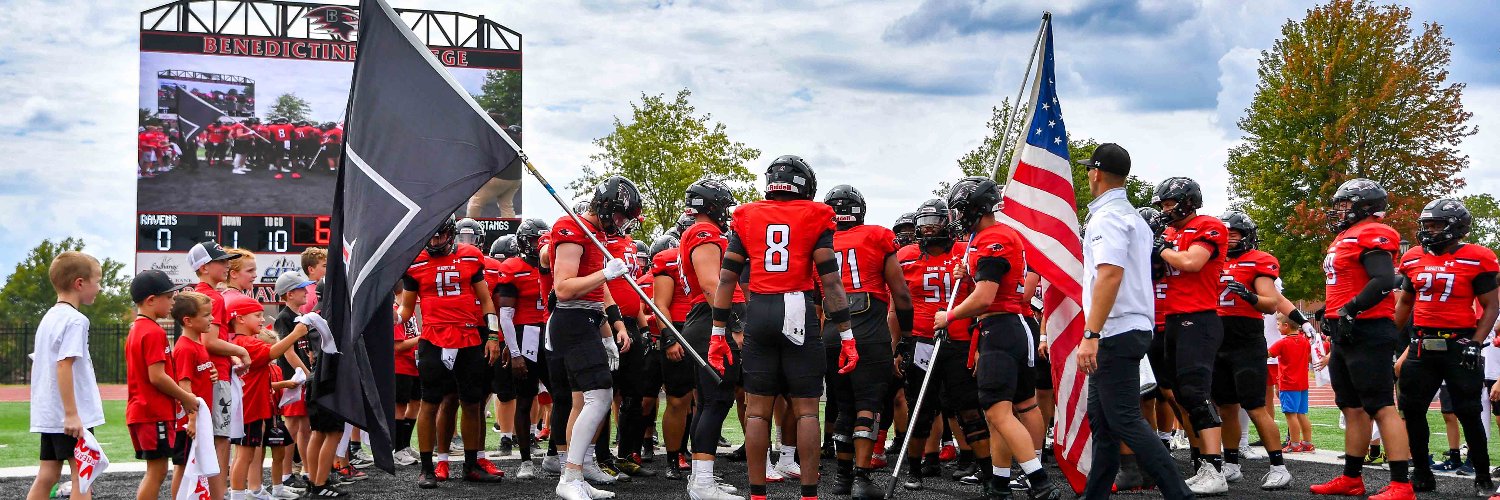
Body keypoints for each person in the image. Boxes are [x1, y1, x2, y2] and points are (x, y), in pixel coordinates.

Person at [714, 155, 852, 500]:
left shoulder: (746, 215)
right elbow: (830, 282)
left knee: (757, 413)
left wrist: (717, 333)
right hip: (797, 310)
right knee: (806, 411)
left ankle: (758, 494)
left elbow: (727, 279)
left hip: (760, 310)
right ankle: (809, 495)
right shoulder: (816, 214)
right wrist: (847, 335)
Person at [1071, 144, 1192, 500]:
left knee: (1123, 419)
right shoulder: (1133, 218)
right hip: (1129, 325)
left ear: (1096, 173)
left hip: (1115, 329)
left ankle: (1180, 493)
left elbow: (1109, 275)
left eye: (1088, 170)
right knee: (1104, 424)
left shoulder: (1107, 218)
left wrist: (1091, 333)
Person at [935, 176, 1063, 500]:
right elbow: (987, 287)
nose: (956, 217)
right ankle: (1000, 484)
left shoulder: (993, 238)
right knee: (1004, 414)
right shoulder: (992, 237)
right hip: (1008, 328)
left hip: (1002, 329)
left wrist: (949, 316)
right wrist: (968, 276)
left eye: (960, 210)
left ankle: (1040, 483)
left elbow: (985, 298)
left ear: (974, 208)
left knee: (997, 412)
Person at [1310, 179, 1414, 500]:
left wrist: (1351, 308)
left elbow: (1383, 279)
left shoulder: (1372, 232)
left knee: (1381, 406)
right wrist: (1332, 311)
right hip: (1346, 330)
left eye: (1345, 204)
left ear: (1365, 207)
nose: (1339, 211)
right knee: (1351, 407)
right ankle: (1352, 478)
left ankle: (1401, 484)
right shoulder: (1345, 236)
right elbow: (1348, 281)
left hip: (1368, 328)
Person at [1393, 198, 1498, 496]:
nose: (1429, 230)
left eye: (1436, 224)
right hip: (1422, 343)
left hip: (1459, 342)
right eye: (1426, 224)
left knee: (1469, 411)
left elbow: (1491, 306)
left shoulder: (1478, 257)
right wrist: (1388, 338)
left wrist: (1476, 342)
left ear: (1457, 227)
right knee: (1412, 409)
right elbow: (1405, 302)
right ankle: (1422, 473)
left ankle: (1482, 475)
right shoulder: (1413, 257)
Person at [548, 176, 640, 500]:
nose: (621, 223)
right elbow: (563, 288)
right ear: (605, 206)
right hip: (571, 320)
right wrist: (605, 273)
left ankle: (575, 472)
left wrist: (610, 330)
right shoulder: (571, 228)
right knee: (600, 395)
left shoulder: (596, 233)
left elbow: (597, 295)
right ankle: (570, 477)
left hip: (587, 320)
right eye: (620, 215)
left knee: (587, 399)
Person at [399, 214, 506, 488]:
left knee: (471, 403)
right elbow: (407, 309)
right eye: (431, 237)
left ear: (450, 233)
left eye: (440, 236)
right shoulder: (416, 261)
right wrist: (391, 318)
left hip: (468, 337)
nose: (435, 242)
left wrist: (493, 335)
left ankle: (471, 465)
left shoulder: (470, 256)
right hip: (434, 338)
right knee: (430, 402)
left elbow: (486, 301)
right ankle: (427, 468)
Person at [821, 184, 914, 497]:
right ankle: (861, 478)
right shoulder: (877, 236)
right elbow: (901, 294)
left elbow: (816, 299)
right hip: (868, 331)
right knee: (869, 405)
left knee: (843, 405)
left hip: (832, 333)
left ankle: (842, 479)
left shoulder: (821, 242)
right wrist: (907, 335)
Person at [896, 198, 993, 493]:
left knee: (969, 408)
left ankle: (988, 473)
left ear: (948, 224)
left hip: (960, 340)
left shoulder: (966, 251)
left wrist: (980, 343)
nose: (928, 229)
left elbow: (985, 298)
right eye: (924, 223)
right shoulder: (906, 256)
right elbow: (896, 306)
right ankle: (915, 469)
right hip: (921, 339)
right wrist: (899, 344)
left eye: (934, 222)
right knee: (920, 409)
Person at [1150, 176, 1231, 494]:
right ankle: (1203, 465)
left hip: (1199, 319)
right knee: (1182, 395)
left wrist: (1162, 250)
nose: (1165, 209)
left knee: (1196, 393)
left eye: (1169, 203)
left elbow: (1191, 262)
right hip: (1173, 319)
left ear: (1187, 202)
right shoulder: (1170, 232)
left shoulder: (1208, 226)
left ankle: (1216, 469)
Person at [676, 178, 749, 499]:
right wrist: (734, 324)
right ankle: (703, 484)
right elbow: (710, 283)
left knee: (708, 402)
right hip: (711, 321)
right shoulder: (704, 232)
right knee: (716, 400)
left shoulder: (699, 231)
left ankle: (700, 479)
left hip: (705, 320)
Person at [1213, 210, 1295, 489]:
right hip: (1217, 337)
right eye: (1225, 235)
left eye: (1234, 234)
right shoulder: (1212, 260)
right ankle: (1231, 464)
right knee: (1226, 407)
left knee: (1255, 406)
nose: (1229, 239)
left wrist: (1249, 295)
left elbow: (1271, 304)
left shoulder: (1259, 260)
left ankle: (1279, 467)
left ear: (1247, 236)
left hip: (1245, 339)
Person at [26, 251, 105, 500]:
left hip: (51, 413)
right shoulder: (76, 321)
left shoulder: (48, 318)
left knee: (48, 474)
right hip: (71, 416)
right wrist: (71, 414)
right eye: (97, 281)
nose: (99, 288)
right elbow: (64, 365)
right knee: (82, 475)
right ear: (79, 283)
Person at [225, 293, 312, 500]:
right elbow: (273, 352)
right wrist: (296, 333)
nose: (262, 320)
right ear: (240, 318)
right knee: (244, 455)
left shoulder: (240, 341)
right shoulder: (245, 342)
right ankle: (239, 495)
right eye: (257, 315)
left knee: (246, 454)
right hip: (250, 408)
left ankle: (249, 492)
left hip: (251, 407)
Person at [186, 241, 251, 499]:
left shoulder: (201, 294)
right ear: (204, 267)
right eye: (220, 261)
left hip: (209, 372)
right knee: (221, 439)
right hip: (216, 375)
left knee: (210, 439)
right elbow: (210, 341)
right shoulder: (212, 297)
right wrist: (241, 351)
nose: (226, 265)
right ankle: (218, 494)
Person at [125, 270, 196, 500]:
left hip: (143, 411)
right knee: (157, 471)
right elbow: (156, 376)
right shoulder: (153, 331)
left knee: (157, 469)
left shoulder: (137, 329)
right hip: (152, 411)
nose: (172, 302)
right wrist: (185, 397)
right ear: (151, 300)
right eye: (168, 297)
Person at [496, 218, 553, 479]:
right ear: (522, 242)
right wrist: (516, 352)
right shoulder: (513, 267)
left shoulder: (556, 264)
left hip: (551, 332)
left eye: (542, 240)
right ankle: (526, 460)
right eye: (533, 240)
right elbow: (506, 315)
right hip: (526, 334)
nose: (539, 245)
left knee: (562, 396)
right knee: (525, 397)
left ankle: (554, 454)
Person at [649, 233, 697, 480]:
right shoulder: (669, 259)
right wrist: (669, 337)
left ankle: (703, 462)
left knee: (708, 401)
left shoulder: (717, 251)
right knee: (678, 400)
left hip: (709, 327)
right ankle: (672, 458)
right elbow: (660, 303)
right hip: (679, 328)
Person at [169, 291, 220, 495]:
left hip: (199, 417)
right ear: (188, 321)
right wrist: (192, 419)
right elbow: (184, 385)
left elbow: (197, 375)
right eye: (206, 315)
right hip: (188, 421)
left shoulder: (198, 344)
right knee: (183, 466)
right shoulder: (185, 348)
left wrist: (211, 373)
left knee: (195, 466)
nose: (212, 318)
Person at [271, 271, 317, 491]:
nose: (306, 291)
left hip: (301, 377)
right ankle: (286, 473)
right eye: (301, 289)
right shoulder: (284, 318)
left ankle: (307, 470)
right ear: (289, 294)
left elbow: (303, 349)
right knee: (292, 427)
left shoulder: (300, 316)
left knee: (305, 426)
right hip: (292, 379)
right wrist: (308, 375)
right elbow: (288, 353)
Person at [1268, 314, 1313, 454]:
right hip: (1302, 383)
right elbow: (1309, 357)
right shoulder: (1304, 341)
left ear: (1286, 326)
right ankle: (1307, 443)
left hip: (1288, 384)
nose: (1277, 327)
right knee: (1301, 414)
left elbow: (1268, 354)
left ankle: (1294, 444)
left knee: (1290, 415)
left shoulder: (1282, 343)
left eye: (1278, 324)